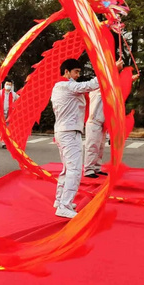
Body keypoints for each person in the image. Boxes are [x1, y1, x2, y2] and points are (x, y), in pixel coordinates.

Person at [51, 58, 123, 218]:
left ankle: (60, 200)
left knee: (67, 169)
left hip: (65, 131)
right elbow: (90, 85)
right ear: (66, 72)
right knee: (74, 170)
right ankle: (64, 205)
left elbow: (89, 86)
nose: (78, 75)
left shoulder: (61, 86)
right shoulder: (66, 86)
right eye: (76, 72)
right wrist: (112, 69)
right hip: (69, 132)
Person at [83, 88, 106, 178]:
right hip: (93, 122)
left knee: (100, 147)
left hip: (102, 123)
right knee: (92, 146)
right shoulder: (96, 90)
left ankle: (96, 168)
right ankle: (88, 170)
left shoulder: (107, 92)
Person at [0, 79, 18, 149]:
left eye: (9, 85)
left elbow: (19, 100)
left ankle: (4, 143)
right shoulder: (0, 93)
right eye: (7, 84)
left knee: (6, 130)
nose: (8, 86)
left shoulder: (14, 94)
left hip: (9, 115)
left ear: (11, 86)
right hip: (0, 114)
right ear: (4, 85)